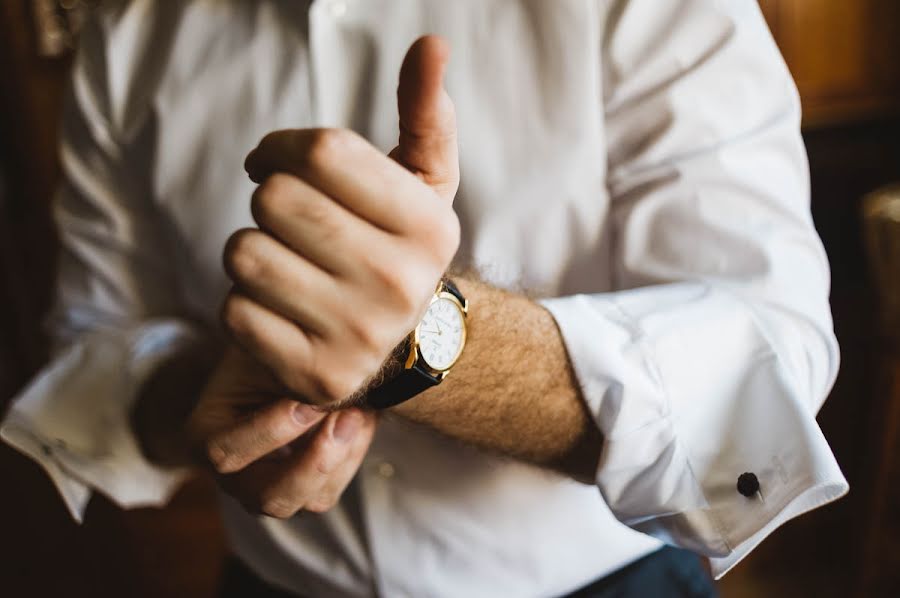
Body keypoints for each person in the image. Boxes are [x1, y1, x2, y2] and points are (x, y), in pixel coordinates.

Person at [1, 1, 848, 596]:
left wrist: (424, 345)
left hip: (608, 583)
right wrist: (207, 395)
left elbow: (763, 376)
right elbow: (94, 349)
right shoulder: (127, 34)